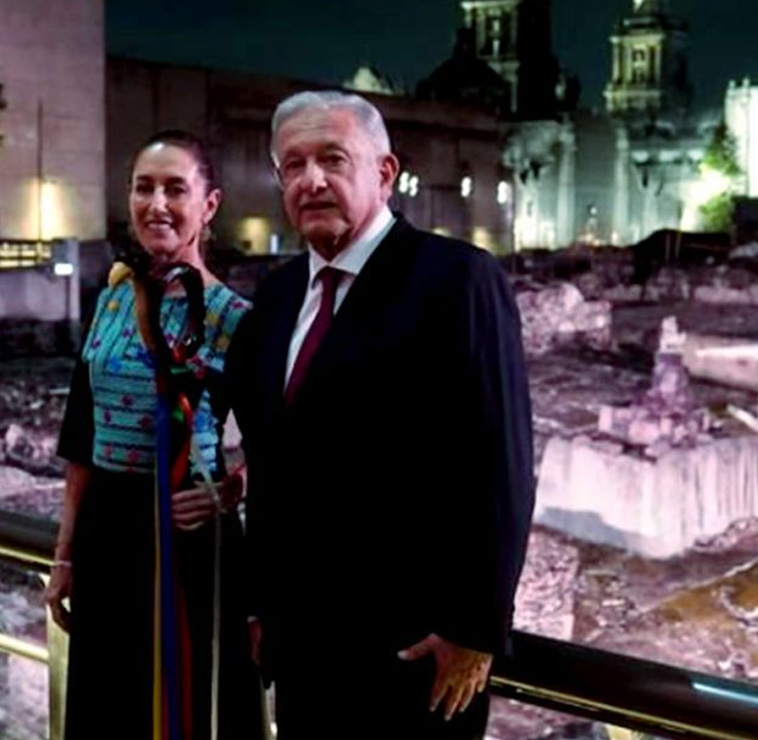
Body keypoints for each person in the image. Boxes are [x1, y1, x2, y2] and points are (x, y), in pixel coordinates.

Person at [225, 91, 535, 739]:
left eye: (333, 159)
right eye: (293, 165)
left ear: (385, 172)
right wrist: (260, 606)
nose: (311, 180)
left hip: (415, 655)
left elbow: (499, 462)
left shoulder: (457, 279)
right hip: (301, 649)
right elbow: (270, 465)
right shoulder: (276, 298)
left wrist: (474, 627)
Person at [45, 130, 261, 738]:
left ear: (209, 205)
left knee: (187, 706)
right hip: (106, 534)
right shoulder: (112, 299)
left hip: (190, 539)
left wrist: (231, 490)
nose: (156, 204)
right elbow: (80, 438)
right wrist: (65, 555)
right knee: (109, 705)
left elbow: (279, 445)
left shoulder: (235, 318)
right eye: (144, 188)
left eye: (175, 189)